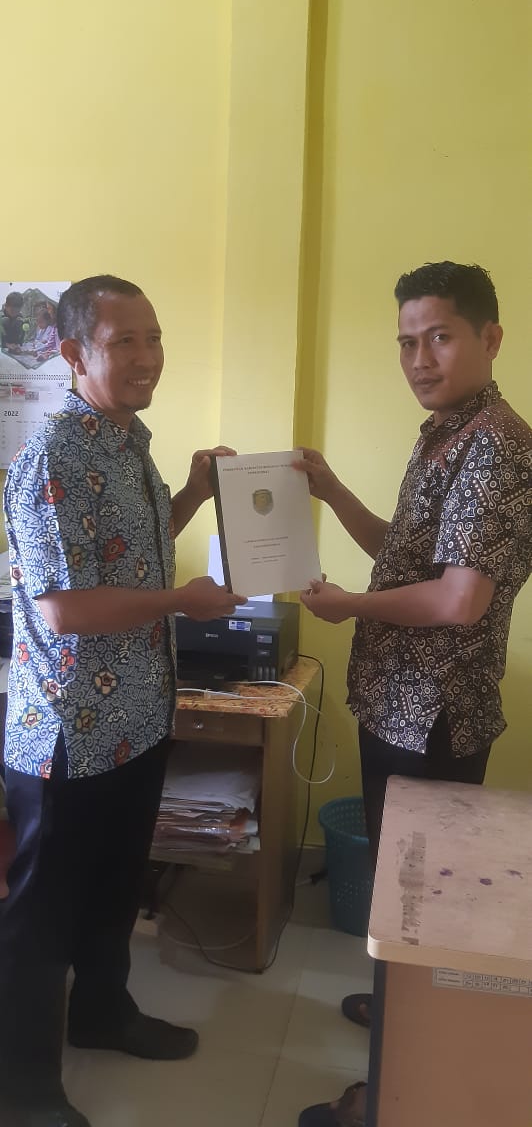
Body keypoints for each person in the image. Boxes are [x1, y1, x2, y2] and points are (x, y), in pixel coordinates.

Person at [0, 275, 246, 1127]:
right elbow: (65, 609)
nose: (147, 357)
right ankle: (21, 1082)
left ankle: (104, 1014)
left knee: (113, 891)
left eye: (155, 337)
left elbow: (129, 557)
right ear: (74, 353)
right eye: (124, 342)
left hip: (137, 717)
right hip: (67, 732)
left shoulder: (127, 441)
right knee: (43, 911)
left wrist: (193, 494)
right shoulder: (53, 458)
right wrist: (184, 601)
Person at [297, 260, 532, 1127]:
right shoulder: (443, 433)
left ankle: (390, 1096)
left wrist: (347, 607)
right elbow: (404, 556)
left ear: (489, 338)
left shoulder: (495, 445)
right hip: (399, 702)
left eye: (439, 337)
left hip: (434, 713)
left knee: (424, 905)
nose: (420, 360)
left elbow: (459, 599)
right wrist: (331, 492)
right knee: (407, 898)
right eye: (406, 342)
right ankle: (398, 1008)